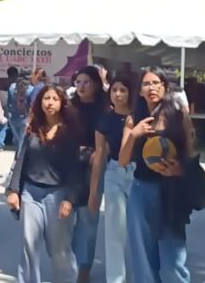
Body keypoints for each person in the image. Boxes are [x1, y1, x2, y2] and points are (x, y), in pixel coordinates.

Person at [120, 67, 194, 283]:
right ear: (140, 91)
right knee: (143, 256)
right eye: (146, 84)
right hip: (142, 189)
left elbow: (191, 156)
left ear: (164, 87)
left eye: (155, 83)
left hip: (171, 190)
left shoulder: (178, 117)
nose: (151, 88)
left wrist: (179, 169)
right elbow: (123, 160)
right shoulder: (134, 119)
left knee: (173, 261)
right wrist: (134, 135)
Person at [6, 84, 80, 283]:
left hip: (58, 194)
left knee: (59, 249)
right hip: (31, 193)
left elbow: (75, 168)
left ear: (62, 103)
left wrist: (70, 199)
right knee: (28, 245)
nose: (50, 103)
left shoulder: (69, 132)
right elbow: (21, 159)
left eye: (55, 99)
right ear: (40, 102)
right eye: (47, 98)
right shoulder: (32, 128)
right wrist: (13, 190)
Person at [90, 74, 134, 283]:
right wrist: (93, 191)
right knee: (114, 231)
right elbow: (99, 154)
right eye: (114, 90)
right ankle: (116, 279)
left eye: (123, 90)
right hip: (114, 171)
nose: (118, 94)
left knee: (139, 230)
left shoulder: (139, 116)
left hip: (139, 173)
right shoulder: (105, 119)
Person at [70, 66, 106, 283]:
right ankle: (70, 262)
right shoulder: (69, 106)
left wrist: (98, 153)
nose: (82, 87)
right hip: (69, 165)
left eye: (86, 82)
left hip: (93, 165)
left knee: (88, 217)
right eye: (78, 82)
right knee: (66, 217)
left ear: (96, 84)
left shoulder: (104, 108)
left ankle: (84, 265)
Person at [8, 69, 31, 151]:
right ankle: (19, 157)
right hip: (25, 117)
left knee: (17, 141)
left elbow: (9, 102)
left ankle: (17, 155)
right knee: (22, 141)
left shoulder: (12, 87)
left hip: (13, 117)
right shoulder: (31, 89)